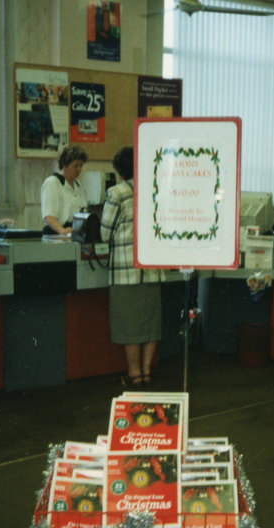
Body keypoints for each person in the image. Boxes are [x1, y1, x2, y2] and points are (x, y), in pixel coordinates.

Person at [100, 146, 163, 386]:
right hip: (153, 269)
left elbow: (105, 234)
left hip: (126, 271)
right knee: (149, 323)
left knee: (130, 326)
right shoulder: (154, 190)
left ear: (119, 170)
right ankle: (146, 371)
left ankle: (134, 374)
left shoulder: (116, 193)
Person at [41, 144, 88, 235]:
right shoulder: (52, 183)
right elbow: (49, 216)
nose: (79, 169)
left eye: (81, 166)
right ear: (64, 165)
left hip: (73, 232)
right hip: (56, 233)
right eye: (76, 166)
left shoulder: (78, 185)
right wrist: (61, 230)